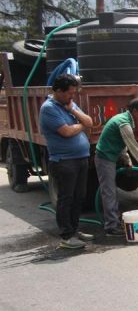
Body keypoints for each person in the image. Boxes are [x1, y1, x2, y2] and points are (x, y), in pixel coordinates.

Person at [39, 74, 94, 249]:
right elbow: (67, 132)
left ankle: (75, 229)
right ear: (58, 91)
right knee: (66, 198)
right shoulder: (49, 108)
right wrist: (81, 125)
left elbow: (90, 122)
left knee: (79, 197)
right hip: (64, 161)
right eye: (69, 93)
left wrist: (72, 110)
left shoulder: (69, 105)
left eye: (74, 92)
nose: (72, 96)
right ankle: (66, 236)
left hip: (80, 159)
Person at [94, 99, 138, 237]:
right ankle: (111, 226)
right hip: (105, 157)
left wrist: (127, 160)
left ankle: (114, 222)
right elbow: (134, 146)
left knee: (111, 191)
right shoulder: (124, 123)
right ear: (134, 111)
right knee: (109, 192)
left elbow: (122, 144)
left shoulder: (125, 120)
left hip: (112, 155)